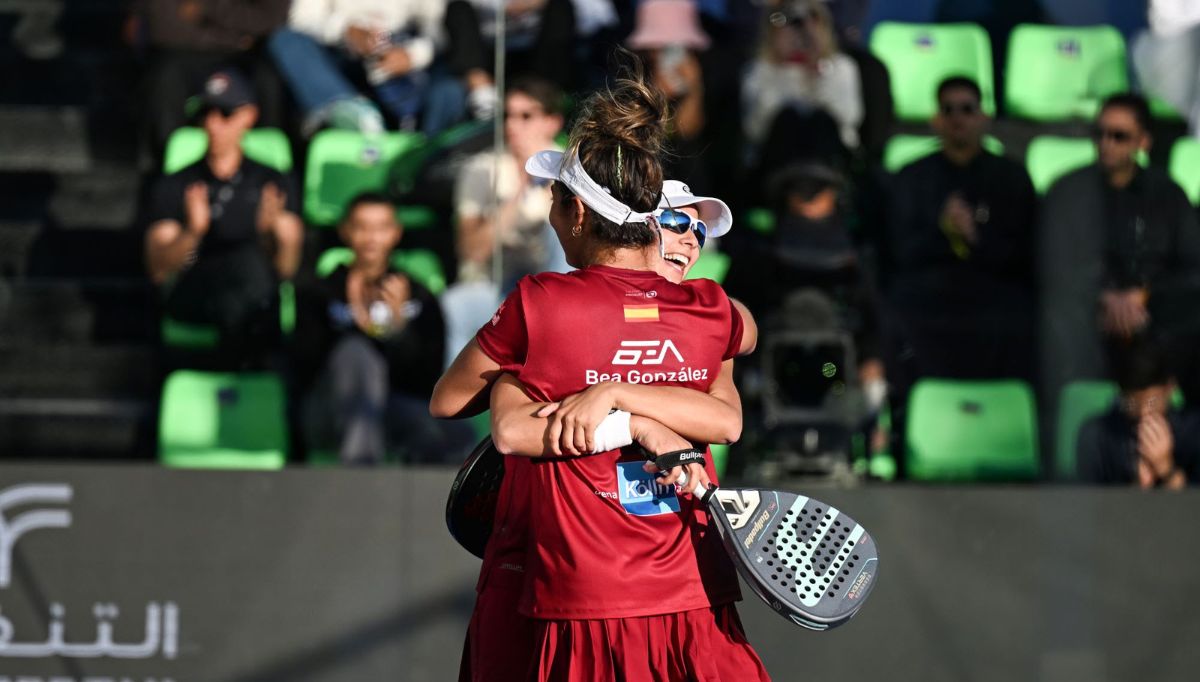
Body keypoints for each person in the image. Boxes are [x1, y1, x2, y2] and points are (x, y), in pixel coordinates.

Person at [431, 67, 767, 681]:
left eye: (554, 201)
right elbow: (740, 345)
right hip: (693, 592)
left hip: (583, 596)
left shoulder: (541, 303)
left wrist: (558, 379)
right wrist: (641, 412)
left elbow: (451, 401)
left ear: (578, 212)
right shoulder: (711, 309)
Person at [1041, 93, 1200, 413]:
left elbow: (1192, 264)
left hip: (1153, 308)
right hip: (1087, 309)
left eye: (1119, 136)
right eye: (1099, 134)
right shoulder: (1068, 191)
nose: (1106, 144)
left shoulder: (1168, 194)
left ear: (1143, 142)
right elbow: (1053, 264)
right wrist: (1106, 298)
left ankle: (1176, 428)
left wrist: (1143, 296)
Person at [293, 192, 472, 464]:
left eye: (381, 228)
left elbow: (428, 378)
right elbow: (304, 366)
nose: (371, 238)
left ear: (395, 233)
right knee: (354, 353)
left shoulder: (417, 295)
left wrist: (399, 329)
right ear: (345, 231)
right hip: (330, 409)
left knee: (457, 434)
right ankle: (361, 475)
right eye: (362, 227)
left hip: (392, 408)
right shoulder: (319, 292)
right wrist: (355, 323)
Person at [885, 76, 1036, 393]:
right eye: (948, 110)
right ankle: (911, 408)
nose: (957, 119)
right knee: (898, 308)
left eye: (967, 109)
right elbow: (900, 252)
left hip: (991, 283)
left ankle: (1007, 408)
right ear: (936, 120)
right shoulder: (912, 176)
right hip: (930, 285)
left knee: (1020, 313)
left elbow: (1022, 253)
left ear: (984, 118)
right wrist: (942, 231)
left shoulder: (1010, 177)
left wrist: (975, 236)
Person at [144, 69, 303, 366]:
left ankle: (235, 370)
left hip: (254, 292)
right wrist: (193, 232)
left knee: (247, 282)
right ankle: (250, 371)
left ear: (249, 116)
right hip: (197, 285)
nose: (213, 124)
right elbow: (159, 270)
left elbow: (286, 269)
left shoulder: (273, 182)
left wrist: (268, 234)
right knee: (245, 286)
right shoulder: (177, 183)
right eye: (206, 114)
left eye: (225, 113)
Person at [267, 0, 480, 136]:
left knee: (450, 90)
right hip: (341, 57)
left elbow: (439, 28)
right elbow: (302, 19)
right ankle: (350, 112)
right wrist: (344, 30)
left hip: (405, 57)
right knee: (285, 41)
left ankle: (423, 153)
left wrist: (412, 56)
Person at [132, 0, 289, 163]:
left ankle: (269, 168)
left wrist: (207, 7)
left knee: (269, 79)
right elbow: (162, 25)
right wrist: (236, 32)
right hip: (182, 53)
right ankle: (167, 168)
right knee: (164, 77)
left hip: (246, 54)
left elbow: (271, 20)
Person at [453, 76, 566, 286]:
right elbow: (472, 252)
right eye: (507, 115)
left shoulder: (571, 168)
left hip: (551, 276)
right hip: (495, 280)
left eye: (526, 116)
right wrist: (520, 190)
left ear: (553, 122)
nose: (511, 124)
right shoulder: (481, 168)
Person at [743, 0, 863, 190]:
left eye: (812, 18)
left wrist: (816, 70)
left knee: (821, 122)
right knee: (788, 119)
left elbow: (847, 116)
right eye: (785, 19)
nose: (799, 30)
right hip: (777, 164)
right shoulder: (759, 71)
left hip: (831, 163)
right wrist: (786, 69)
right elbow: (755, 128)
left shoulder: (842, 67)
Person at [1077, 334, 1200, 488]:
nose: (1143, 413)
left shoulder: (1192, 432)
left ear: (1170, 388)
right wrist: (1135, 488)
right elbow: (1089, 498)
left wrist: (1167, 471)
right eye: (1133, 404)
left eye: (1152, 402)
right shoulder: (1099, 435)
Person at [627, 0, 713, 191]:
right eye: (660, 48)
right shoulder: (629, 84)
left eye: (677, 48)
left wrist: (693, 90)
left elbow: (688, 132)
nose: (668, 57)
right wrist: (656, 97)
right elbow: (644, 143)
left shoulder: (710, 80)